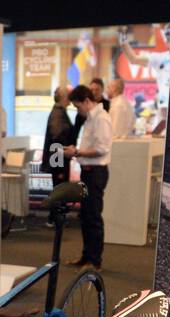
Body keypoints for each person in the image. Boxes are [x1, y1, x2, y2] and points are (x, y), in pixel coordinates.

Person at [63, 84, 111, 271]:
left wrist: (77, 151)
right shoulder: (91, 118)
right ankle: (86, 257)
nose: (77, 110)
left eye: (77, 106)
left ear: (87, 101)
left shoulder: (101, 119)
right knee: (86, 216)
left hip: (96, 173)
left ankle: (95, 261)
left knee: (93, 217)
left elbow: (102, 149)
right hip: (88, 171)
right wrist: (77, 153)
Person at [41, 86, 74, 227]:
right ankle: (54, 219)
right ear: (63, 97)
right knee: (59, 188)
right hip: (58, 158)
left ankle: (54, 218)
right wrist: (60, 164)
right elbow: (57, 139)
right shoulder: (58, 114)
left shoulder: (59, 112)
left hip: (58, 157)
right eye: (69, 95)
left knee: (59, 188)